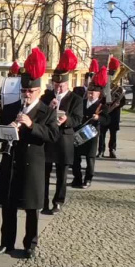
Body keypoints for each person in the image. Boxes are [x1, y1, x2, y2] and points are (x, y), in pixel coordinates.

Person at [0, 48, 58, 259]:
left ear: (38, 91)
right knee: (8, 205)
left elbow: (52, 135)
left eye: (30, 92)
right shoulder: (12, 107)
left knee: (31, 208)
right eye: (23, 92)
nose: (26, 95)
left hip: (32, 162)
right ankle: (6, 242)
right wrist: (7, 129)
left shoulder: (47, 111)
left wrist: (31, 125)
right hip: (11, 161)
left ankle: (30, 244)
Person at [41, 50, 83, 214]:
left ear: (67, 84)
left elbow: (78, 119)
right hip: (48, 139)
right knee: (44, 173)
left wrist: (67, 120)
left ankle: (58, 201)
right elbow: (38, 115)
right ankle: (43, 201)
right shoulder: (46, 97)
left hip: (64, 140)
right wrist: (48, 108)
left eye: (61, 86)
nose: (58, 88)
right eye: (56, 85)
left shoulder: (76, 99)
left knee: (61, 175)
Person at [72, 66, 109, 189]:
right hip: (79, 132)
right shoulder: (81, 103)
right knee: (75, 158)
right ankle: (77, 178)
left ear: (99, 93)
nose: (91, 94)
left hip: (92, 134)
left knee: (90, 158)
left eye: (93, 93)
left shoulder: (102, 106)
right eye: (89, 92)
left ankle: (88, 179)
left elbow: (106, 120)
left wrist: (99, 118)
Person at [98, 94, 125, 158]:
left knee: (113, 134)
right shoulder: (105, 91)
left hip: (114, 115)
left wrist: (118, 104)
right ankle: (101, 150)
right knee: (101, 134)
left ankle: (112, 150)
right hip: (104, 115)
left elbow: (123, 101)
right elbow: (100, 101)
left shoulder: (119, 91)